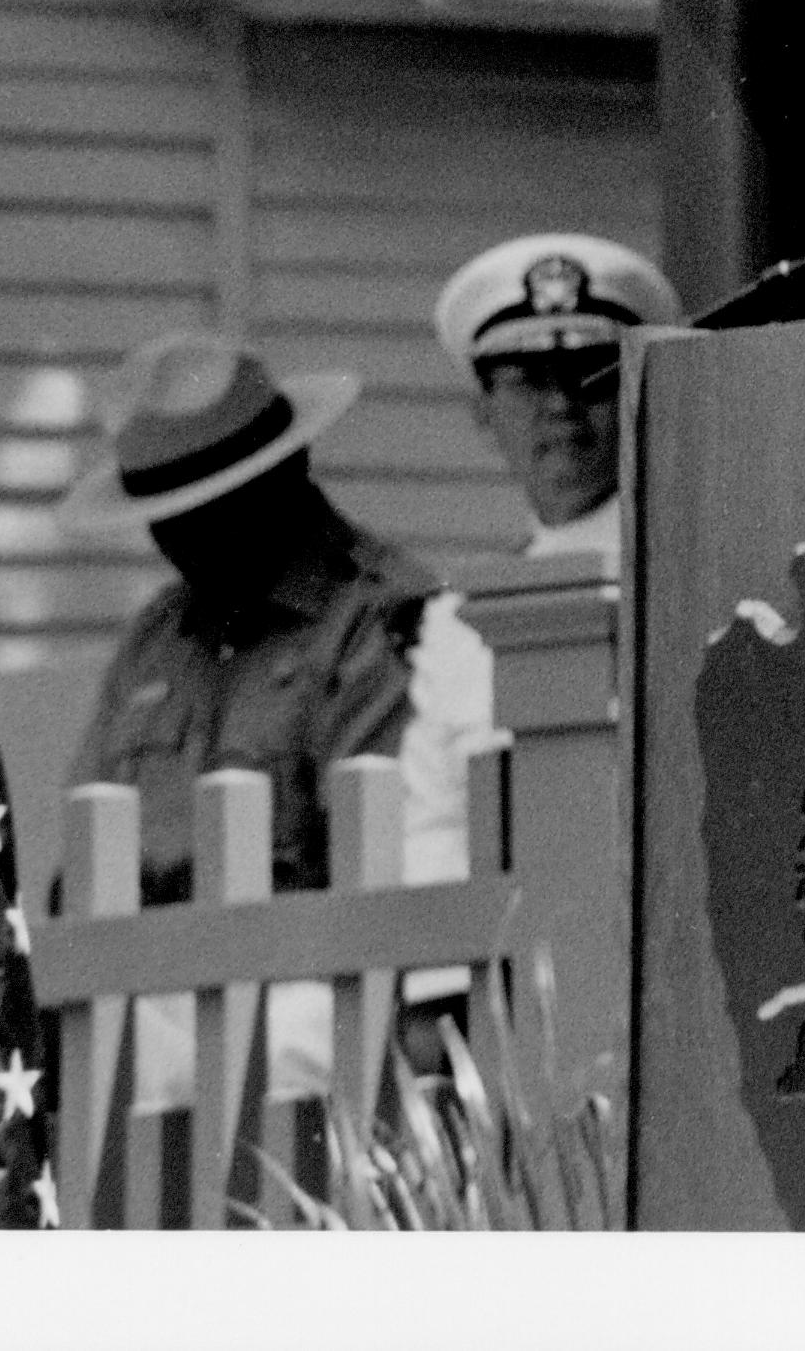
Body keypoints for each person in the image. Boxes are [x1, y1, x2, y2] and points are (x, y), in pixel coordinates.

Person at [54, 330, 495, 1148]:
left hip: (309, 1029)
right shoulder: (156, 638)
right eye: (162, 515)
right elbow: (79, 864)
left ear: (286, 473)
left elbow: (387, 874)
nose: (181, 537)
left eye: (211, 505)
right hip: (133, 1034)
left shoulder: (381, 618)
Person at [428, 231, 682, 563]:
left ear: (642, 398)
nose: (562, 405)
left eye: (591, 375)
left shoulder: (687, 570)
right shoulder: (463, 607)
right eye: (530, 382)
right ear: (484, 414)